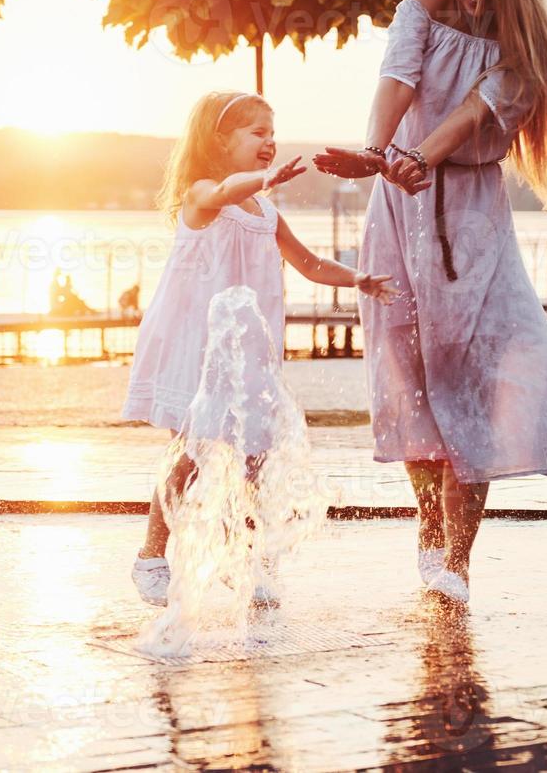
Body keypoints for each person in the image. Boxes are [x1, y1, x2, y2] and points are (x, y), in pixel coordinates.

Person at [314, 0, 547, 605]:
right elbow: (399, 76)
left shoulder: (525, 57)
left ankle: (459, 561)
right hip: (397, 211)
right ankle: (427, 522)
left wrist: (414, 158)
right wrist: (381, 154)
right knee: (406, 372)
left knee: (483, 375)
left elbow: (471, 115)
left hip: (471, 217)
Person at [123, 89, 398, 607]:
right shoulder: (201, 196)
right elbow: (227, 188)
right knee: (191, 453)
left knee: (253, 458)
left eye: (273, 133)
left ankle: (240, 556)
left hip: (247, 350)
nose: (269, 142)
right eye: (257, 133)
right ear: (219, 140)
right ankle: (151, 556)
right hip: (195, 344)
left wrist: (358, 278)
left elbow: (310, 263)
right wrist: (261, 179)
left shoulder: (266, 214)